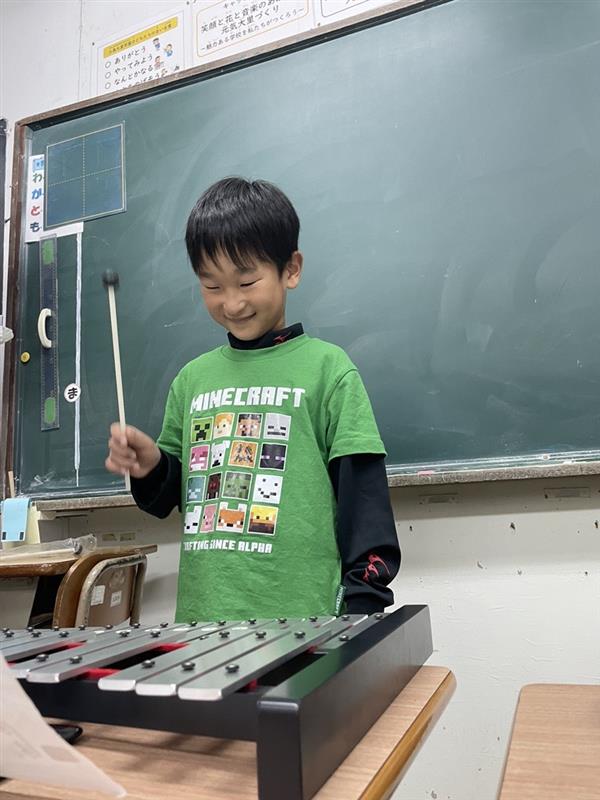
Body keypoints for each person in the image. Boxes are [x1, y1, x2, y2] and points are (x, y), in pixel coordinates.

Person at [106, 178, 400, 621]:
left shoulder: (329, 370)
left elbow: (365, 503)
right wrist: (149, 466)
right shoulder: (191, 380)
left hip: (305, 622)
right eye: (212, 286)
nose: (232, 303)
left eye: (247, 281)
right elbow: (167, 497)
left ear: (291, 269)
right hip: (203, 624)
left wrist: (362, 608)